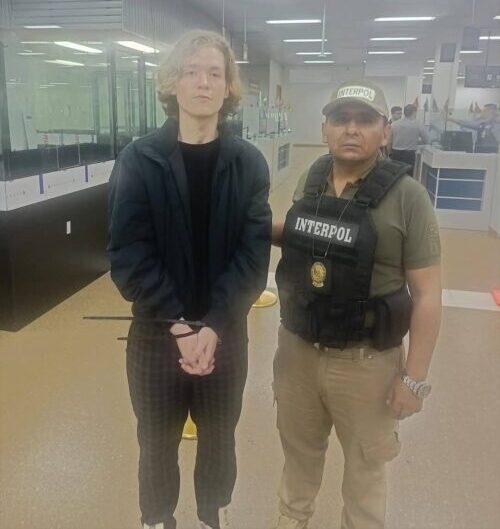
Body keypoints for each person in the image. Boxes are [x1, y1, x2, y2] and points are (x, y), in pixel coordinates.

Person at [108, 30, 272, 529]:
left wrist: (214, 324)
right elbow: (128, 254)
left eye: (215, 73)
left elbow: (252, 257)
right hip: (157, 335)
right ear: (172, 84)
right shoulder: (139, 160)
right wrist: (180, 324)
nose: (203, 82)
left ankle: (210, 515)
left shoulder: (248, 164)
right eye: (192, 72)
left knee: (220, 439)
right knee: (156, 441)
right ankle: (157, 518)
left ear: (228, 88)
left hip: (225, 334)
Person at [271, 80, 442, 529]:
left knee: (365, 475)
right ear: (324, 129)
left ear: (385, 131)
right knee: (297, 459)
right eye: (340, 119)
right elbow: (306, 238)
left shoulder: (408, 197)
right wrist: (248, 225)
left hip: (367, 364)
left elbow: (428, 294)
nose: (351, 129)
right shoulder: (311, 179)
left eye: (365, 120)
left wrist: (414, 380)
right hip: (298, 353)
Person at [389, 103, 430, 173]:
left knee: (395, 173)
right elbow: (426, 140)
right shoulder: (418, 124)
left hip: (395, 153)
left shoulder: (394, 124)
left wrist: (389, 153)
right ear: (414, 112)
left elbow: (389, 141)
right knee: (408, 174)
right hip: (409, 155)